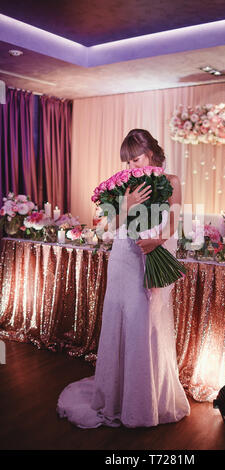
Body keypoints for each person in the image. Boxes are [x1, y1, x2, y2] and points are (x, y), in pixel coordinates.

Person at [56, 129, 191, 428]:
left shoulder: (171, 182)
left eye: (137, 159)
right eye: (128, 162)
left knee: (145, 321)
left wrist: (158, 242)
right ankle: (116, 396)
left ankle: (144, 400)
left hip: (149, 258)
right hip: (122, 258)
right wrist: (126, 205)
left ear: (153, 153)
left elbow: (176, 221)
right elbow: (108, 226)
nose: (132, 167)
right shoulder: (123, 184)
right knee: (120, 319)